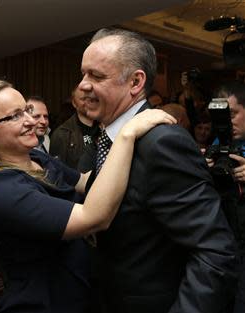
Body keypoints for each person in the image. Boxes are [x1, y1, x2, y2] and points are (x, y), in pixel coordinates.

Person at [0, 79, 176, 313]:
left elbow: (84, 181)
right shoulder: (3, 190)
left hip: (79, 288)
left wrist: (148, 166)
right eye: (14, 117)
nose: (31, 121)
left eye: (26, 111)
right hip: (46, 302)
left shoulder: (37, 159)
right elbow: (93, 217)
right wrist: (126, 135)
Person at [79, 27, 237, 313]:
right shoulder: (105, 138)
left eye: (97, 76)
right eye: (83, 74)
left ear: (136, 82)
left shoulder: (162, 142)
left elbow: (215, 251)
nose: (83, 85)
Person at [207, 81, 245, 313]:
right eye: (221, 116)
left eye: (233, 114)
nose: (227, 122)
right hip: (226, 244)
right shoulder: (219, 146)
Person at [50, 86, 98, 170]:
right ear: (74, 103)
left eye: (91, 99)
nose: (88, 102)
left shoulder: (104, 127)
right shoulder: (62, 134)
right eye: (83, 99)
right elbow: (57, 172)